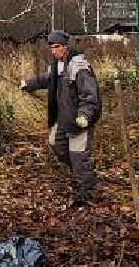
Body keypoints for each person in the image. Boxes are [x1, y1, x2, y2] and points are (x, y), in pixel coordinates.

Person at [20, 29, 100, 206]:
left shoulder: (79, 66)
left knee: (79, 157)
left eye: (57, 47)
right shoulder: (56, 65)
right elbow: (46, 79)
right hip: (63, 119)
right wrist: (28, 84)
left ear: (65, 46)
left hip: (80, 120)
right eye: (51, 47)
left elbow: (89, 95)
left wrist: (85, 115)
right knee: (57, 146)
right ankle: (81, 174)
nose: (54, 51)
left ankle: (87, 196)